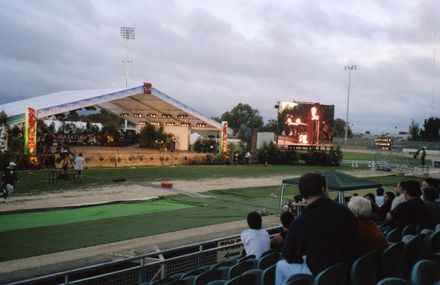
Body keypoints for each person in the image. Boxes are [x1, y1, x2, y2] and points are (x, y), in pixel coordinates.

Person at [275, 172, 364, 285]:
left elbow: (289, 255)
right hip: (347, 269)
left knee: (280, 265)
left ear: (303, 194)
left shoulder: (300, 222)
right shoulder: (345, 210)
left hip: (323, 275)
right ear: (323, 189)